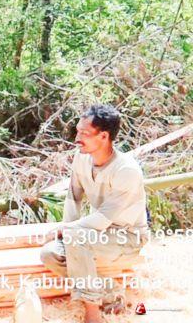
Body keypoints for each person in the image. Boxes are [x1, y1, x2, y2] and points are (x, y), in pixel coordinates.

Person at [40, 105, 149, 323]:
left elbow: (103, 218)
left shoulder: (126, 170)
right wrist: (65, 236)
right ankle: (111, 292)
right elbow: (73, 197)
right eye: (77, 131)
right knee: (49, 254)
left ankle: (93, 314)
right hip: (94, 233)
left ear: (104, 136)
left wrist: (66, 231)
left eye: (84, 133)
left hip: (126, 236)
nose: (77, 138)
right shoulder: (81, 158)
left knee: (76, 237)